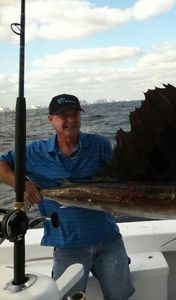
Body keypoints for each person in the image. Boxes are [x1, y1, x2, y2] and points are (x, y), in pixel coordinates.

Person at [0, 94, 135, 299]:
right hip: (67, 244)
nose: (71, 120)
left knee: (120, 295)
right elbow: (1, 164)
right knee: (66, 297)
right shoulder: (35, 152)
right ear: (51, 119)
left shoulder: (99, 145)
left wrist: (119, 202)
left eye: (75, 115)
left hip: (108, 238)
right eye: (64, 115)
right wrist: (22, 185)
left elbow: (116, 179)